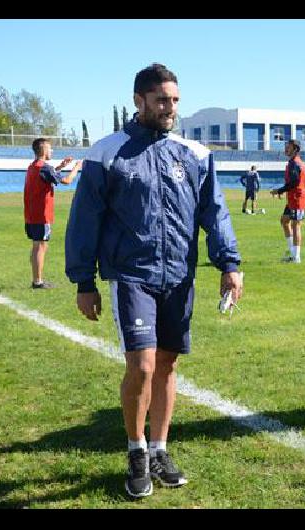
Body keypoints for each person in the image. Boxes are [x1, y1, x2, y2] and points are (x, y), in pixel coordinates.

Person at [65, 63, 243, 499]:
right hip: (132, 276)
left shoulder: (195, 156)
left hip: (179, 275)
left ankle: (160, 449)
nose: (171, 108)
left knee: (167, 364)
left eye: (176, 100)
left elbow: (214, 213)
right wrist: (83, 281)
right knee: (141, 366)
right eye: (162, 100)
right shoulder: (108, 154)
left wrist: (229, 263)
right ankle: (136, 451)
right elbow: (85, 220)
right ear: (139, 100)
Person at [24, 138, 82, 289]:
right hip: (41, 214)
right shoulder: (45, 167)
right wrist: (77, 168)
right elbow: (67, 181)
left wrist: (62, 166)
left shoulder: (33, 166)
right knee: (40, 246)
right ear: (43, 150)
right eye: (50, 149)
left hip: (31, 213)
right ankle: (37, 282)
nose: (52, 151)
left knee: (38, 245)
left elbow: (48, 176)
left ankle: (37, 279)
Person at [270, 139, 305, 263]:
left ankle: (296, 257)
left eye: (288, 146)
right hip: (292, 198)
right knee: (284, 221)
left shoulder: (295, 163)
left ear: (295, 149)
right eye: (286, 146)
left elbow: (294, 182)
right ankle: (292, 253)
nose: (286, 148)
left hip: (298, 198)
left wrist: (279, 191)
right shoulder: (292, 162)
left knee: (295, 225)